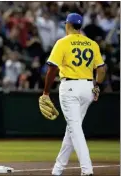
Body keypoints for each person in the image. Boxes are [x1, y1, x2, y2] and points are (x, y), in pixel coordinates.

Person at [38, 13, 106, 176]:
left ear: (68, 25)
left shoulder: (62, 42)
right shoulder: (92, 43)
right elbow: (101, 69)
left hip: (70, 87)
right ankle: (57, 169)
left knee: (75, 129)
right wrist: (97, 86)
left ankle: (87, 170)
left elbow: (52, 68)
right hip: (88, 87)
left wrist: (46, 92)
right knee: (72, 128)